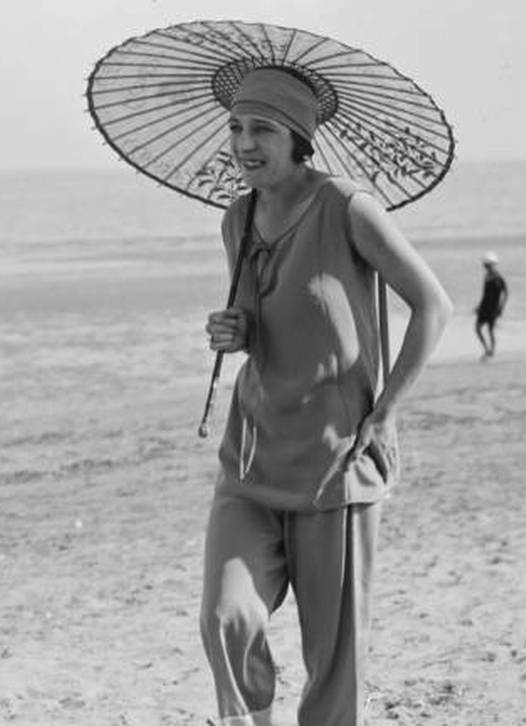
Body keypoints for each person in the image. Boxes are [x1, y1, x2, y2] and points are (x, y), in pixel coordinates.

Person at [200, 67, 452, 726]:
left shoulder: (348, 207)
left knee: (334, 662)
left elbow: (433, 306)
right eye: (235, 127)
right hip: (251, 461)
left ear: (298, 137)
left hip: (335, 466)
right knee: (227, 618)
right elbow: (258, 326)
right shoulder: (237, 218)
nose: (243, 143)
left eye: (262, 129)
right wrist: (234, 331)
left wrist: (387, 411)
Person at [474, 251, 508, 360]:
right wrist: (479, 306)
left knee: (490, 330)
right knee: (478, 328)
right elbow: (485, 294)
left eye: (487, 265)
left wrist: (501, 307)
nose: (485, 267)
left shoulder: (498, 277)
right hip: (484, 307)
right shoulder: (487, 276)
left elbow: (505, 293)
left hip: (493, 308)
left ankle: (492, 351)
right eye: (485, 265)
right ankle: (486, 349)